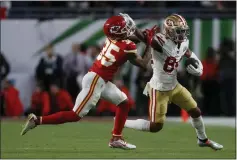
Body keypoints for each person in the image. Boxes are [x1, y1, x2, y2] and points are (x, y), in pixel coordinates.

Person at [21, 14, 155, 149]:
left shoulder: (112, 38)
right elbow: (144, 64)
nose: (128, 29)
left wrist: (144, 36)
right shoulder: (127, 46)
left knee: (124, 103)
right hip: (96, 81)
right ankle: (37, 120)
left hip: (99, 79)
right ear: (118, 32)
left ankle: (116, 138)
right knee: (74, 115)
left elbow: (130, 39)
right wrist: (149, 43)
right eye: (125, 27)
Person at [124, 13, 223, 150]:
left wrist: (199, 67)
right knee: (155, 126)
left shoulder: (183, 42)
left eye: (183, 31)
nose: (182, 34)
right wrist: (134, 28)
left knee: (195, 111)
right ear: (169, 30)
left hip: (174, 86)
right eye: (178, 31)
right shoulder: (160, 41)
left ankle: (202, 139)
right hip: (159, 89)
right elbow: (147, 39)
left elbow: (188, 52)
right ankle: (123, 122)